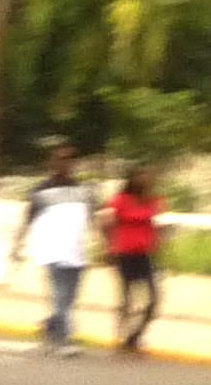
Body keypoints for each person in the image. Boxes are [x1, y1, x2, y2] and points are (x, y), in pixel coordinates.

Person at [16, 148, 92, 352]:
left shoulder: (82, 190)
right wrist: (17, 245)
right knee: (60, 296)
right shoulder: (41, 190)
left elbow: (89, 219)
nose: (65, 164)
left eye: (69, 160)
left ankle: (51, 325)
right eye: (61, 160)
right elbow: (28, 218)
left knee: (69, 298)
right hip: (53, 251)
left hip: (77, 252)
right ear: (53, 163)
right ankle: (66, 340)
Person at [104, 166, 162, 354]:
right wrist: (109, 247)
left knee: (154, 299)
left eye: (147, 177)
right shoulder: (120, 200)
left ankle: (136, 334)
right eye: (140, 177)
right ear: (132, 179)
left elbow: (155, 225)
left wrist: (158, 243)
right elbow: (106, 222)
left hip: (145, 255)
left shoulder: (152, 201)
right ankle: (121, 335)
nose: (144, 180)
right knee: (127, 299)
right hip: (125, 254)